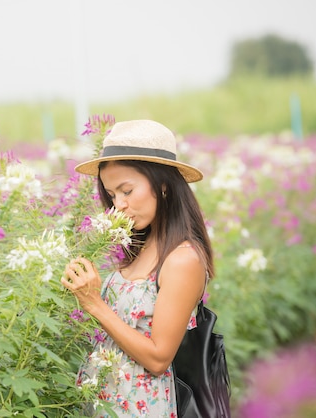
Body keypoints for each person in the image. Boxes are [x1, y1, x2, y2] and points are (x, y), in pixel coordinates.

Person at [61, 119, 214, 417]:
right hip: (103, 400)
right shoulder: (138, 249)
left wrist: (94, 303)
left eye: (127, 191)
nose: (119, 204)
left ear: (164, 185)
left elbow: (158, 358)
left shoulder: (182, 259)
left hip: (138, 407)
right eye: (112, 194)